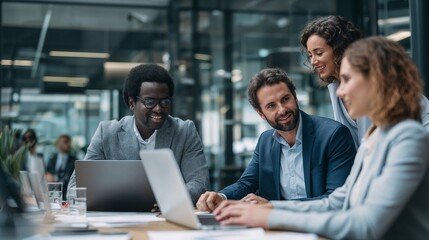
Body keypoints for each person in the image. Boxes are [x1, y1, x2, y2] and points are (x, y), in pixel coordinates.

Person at [213, 37, 429, 240]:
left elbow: (366, 225)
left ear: (377, 80)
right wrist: (268, 208)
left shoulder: (408, 138)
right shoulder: (374, 136)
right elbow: (337, 202)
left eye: (346, 80)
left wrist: (269, 217)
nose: (339, 92)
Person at [196, 68, 356, 212]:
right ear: (260, 113)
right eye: (271, 106)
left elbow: (336, 200)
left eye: (285, 99)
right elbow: (245, 184)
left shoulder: (334, 135)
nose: (282, 109)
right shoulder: (265, 141)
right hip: (276, 230)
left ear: (295, 97)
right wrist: (220, 197)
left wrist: (272, 207)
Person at [68, 63, 209, 204]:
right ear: (132, 103)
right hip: (119, 219)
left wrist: (165, 201)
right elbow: (75, 188)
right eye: (150, 102)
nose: (158, 109)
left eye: (165, 102)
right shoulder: (107, 133)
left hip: (167, 218)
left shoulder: (184, 131)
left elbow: (199, 183)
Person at [301, 15, 429, 148]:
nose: (313, 61)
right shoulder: (337, 90)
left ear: (339, 49)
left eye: (319, 53)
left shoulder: (382, 87)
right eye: (310, 55)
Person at [46, 134, 77, 200]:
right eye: (65, 142)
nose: (68, 144)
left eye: (69, 142)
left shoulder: (74, 160)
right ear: (58, 144)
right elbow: (47, 172)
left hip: (67, 190)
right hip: (53, 189)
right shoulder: (52, 158)